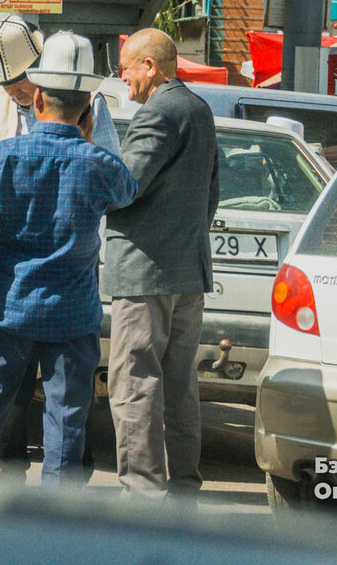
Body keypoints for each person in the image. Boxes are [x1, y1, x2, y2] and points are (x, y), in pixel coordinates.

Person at [0, 31, 136, 488]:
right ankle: (57, 532)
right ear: (86, 109)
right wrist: (88, 141)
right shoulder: (101, 165)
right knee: (67, 427)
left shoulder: (6, 156)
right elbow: (127, 193)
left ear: (38, 101)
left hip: (5, 308)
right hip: (73, 314)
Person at [103, 27, 220, 500]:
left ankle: (143, 495)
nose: (122, 77)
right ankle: (183, 490)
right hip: (187, 271)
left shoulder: (159, 112)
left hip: (145, 272)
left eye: (126, 67)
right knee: (179, 386)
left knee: (134, 383)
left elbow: (123, 186)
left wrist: (95, 165)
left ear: (150, 66)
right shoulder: (199, 109)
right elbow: (210, 193)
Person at [0, 15, 119, 187]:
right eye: (5, 84)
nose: (13, 92)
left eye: (19, 82)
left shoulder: (88, 102)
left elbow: (112, 170)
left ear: (39, 71)